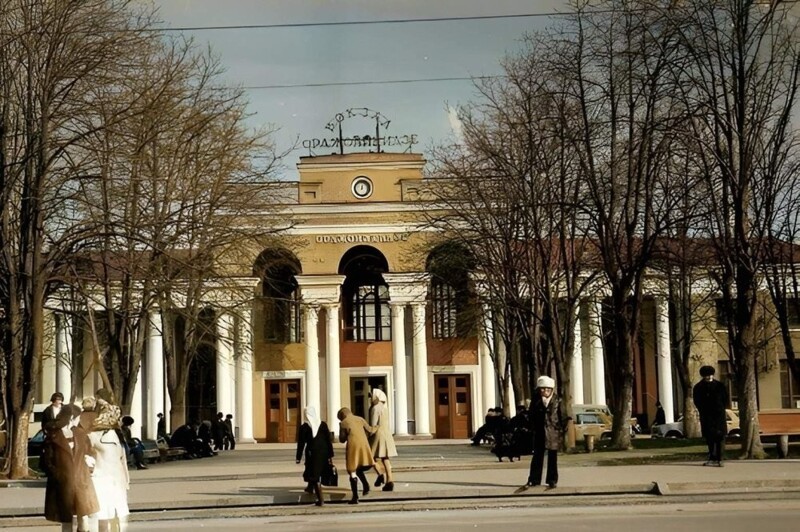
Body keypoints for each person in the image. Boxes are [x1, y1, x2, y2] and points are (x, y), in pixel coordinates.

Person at [41, 403, 99, 532]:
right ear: (72, 417)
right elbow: (46, 460)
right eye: (78, 417)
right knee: (66, 518)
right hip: (63, 482)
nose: (80, 420)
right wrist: (57, 474)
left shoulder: (80, 433)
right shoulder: (53, 435)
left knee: (83, 517)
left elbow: (90, 452)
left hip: (81, 481)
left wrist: (89, 467)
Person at [86, 397, 130, 532]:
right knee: (107, 517)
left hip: (108, 480)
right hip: (107, 480)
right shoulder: (112, 435)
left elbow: (122, 460)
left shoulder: (97, 435)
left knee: (108, 517)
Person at [525, 375, 564, 489]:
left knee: (552, 457)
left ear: (552, 390)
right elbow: (531, 415)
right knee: (537, 456)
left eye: (548, 389)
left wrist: (560, 429)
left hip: (553, 432)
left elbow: (564, 416)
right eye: (542, 389)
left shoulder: (558, 400)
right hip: (539, 432)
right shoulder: (536, 401)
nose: (545, 391)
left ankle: (552, 480)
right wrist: (533, 427)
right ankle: (534, 479)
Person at [337, 407, 377, 504]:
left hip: (353, 447)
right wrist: (378, 427)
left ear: (342, 415)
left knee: (352, 470)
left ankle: (355, 497)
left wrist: (342, 429)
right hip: (364, 446)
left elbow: (342, 439)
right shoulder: (360, 419)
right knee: (360, 467)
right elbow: (370, 430)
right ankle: (366, 485)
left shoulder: (343, 423)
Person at [295, 406, 334, 506]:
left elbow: (301, 443)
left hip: (313, 453)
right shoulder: (323, 425)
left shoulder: (304, 427)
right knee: (315, 471)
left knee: (314, 475)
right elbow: (328, 441)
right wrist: (330, 455)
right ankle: (310, 487)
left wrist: (298, 457)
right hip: (324, 452)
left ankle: (321, 500)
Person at [693, 365, 729, 467]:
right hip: (706, 415)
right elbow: (697, 401)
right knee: (709, 438)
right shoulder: (698, 387)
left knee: (720, 437)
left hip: (719, 415)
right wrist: (703, 410)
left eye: (710, 375)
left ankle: (720, 458)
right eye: (706, 376)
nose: (709, 377)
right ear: (703, 376)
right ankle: (712, 457)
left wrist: (720, 408)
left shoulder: (720, 386)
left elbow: (725, 399)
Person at [368, 389, 398, 492]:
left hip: (378, 434)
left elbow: (373, 424)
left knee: (371, 457)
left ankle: (380, 474)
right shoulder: (385, 408)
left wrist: (369, 433)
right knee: (385, 458)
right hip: (387, 434)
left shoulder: (375, 408)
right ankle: (390, 480)